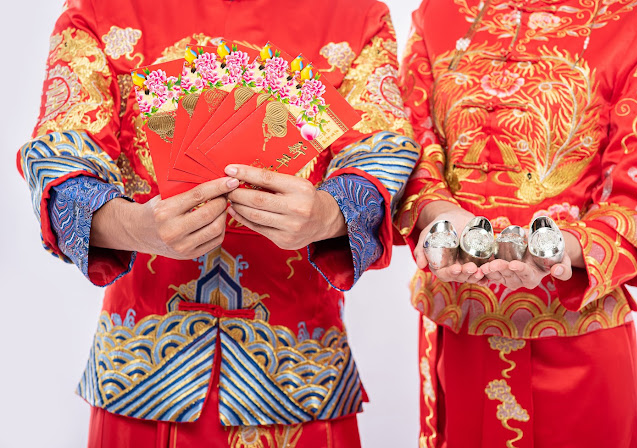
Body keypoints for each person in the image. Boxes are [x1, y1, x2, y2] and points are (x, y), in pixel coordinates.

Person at [17, 0, 418, 446]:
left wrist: (328, 213)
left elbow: (383, 149)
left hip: (299, 369)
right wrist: (133, 225)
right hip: (142, 367)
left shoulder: (355, 15)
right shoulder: (100, 9)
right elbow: (60, 154)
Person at [397, 0, 637, 446]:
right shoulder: (439, 14)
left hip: (577, 346)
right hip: (456, 335)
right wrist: (440, 214)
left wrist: (557, 247)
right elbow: (404, 144)